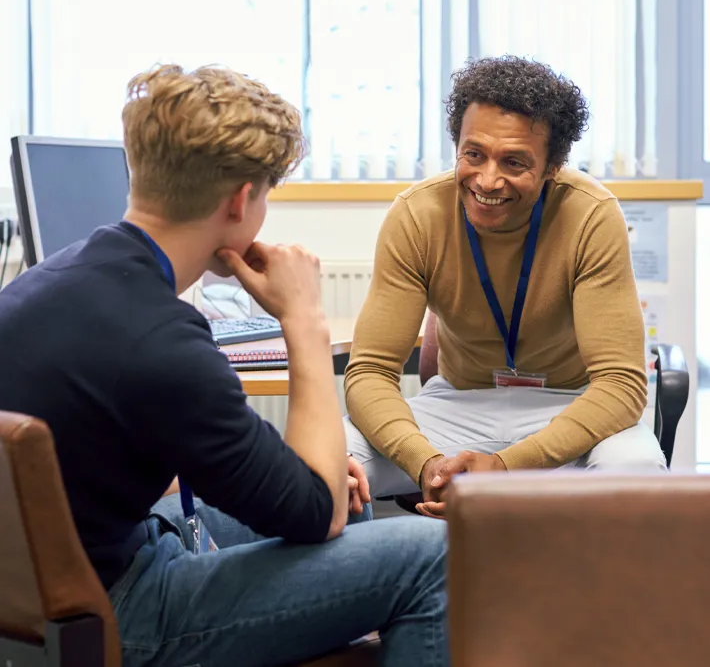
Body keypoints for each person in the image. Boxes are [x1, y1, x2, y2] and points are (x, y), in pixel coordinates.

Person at [0, 65, 448, 667]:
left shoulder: (51, 279)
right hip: (122, 611)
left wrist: (314, 485)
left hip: (58, 585)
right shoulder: (163, 342)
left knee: (352, 498)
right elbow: (314, 513)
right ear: (241, 200)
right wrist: (304, 321)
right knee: (437, 552)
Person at [343, 55, 666, 517]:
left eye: (514, 162)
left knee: (636, 473)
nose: (487, 179)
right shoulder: (417, 215)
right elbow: (370, 373)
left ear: (553, 166)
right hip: (458, 406)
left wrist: (507, 466)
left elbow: (620, 386)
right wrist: (427, 464)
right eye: (474, 154)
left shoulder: (591, 215)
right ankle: (378, 583)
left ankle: (590, 592)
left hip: (569, 406)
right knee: (328, 460)